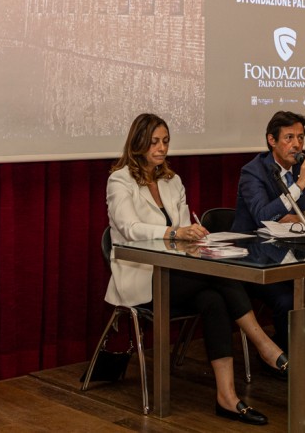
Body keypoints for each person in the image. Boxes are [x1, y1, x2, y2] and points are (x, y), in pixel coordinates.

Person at [106, 113, 287, 425]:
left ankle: (227, 397)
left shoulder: (172, 180)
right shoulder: (120, 180)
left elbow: (182, 228)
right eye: (154, 142)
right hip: (142, 277)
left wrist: (192, 233)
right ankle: (263, 343)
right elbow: (129, 228)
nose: (162, 148)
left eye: (165, 141)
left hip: (178, 272)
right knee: (219, 277)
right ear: (137, 144)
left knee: (214, 300)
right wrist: (175, 232)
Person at [231, 110, 305, 350]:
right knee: (287, 301)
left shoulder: (301, 167)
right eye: (289, 138)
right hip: (255, 260)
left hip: (294, 256)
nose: (297, 144)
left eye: (300, 137)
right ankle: (284, 356)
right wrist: (299, 185)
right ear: (272, 140)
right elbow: (263, 216)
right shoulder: (253, 171)